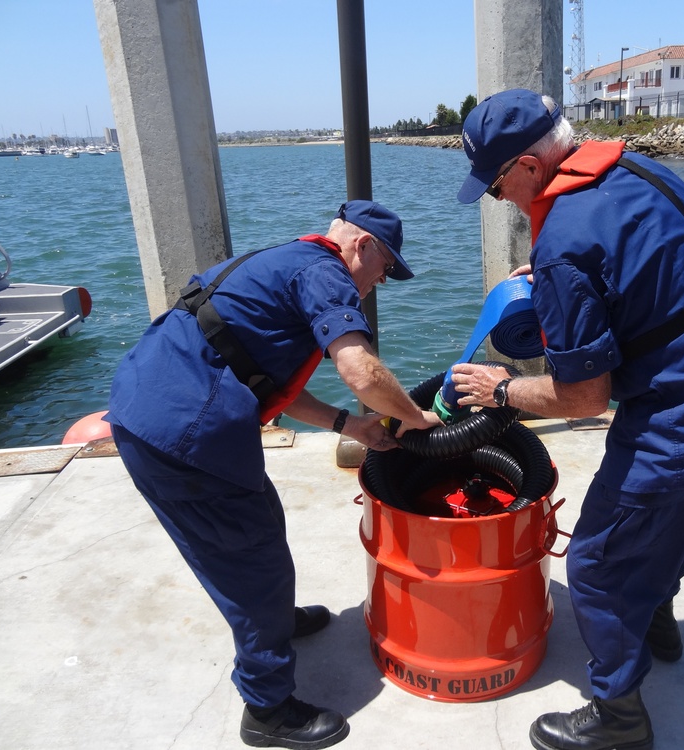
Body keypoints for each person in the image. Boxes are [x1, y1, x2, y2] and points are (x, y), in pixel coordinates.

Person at [450, 89, 684, 750]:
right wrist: (557, 275)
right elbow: (646, 263)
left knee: (600, 563)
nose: (501, 201)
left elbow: (584, 400)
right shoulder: (643, 169)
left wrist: (500, 390)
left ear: (527, 166)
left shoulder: (567, 244)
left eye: (495, 189)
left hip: (683, 412)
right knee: (680, 515)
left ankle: (618, 717)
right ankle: (656, 614)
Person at [105, 199, 442, 750]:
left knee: (261, 518)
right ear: (362, 246)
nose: (377, 284)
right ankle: (267, 710)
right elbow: (361, 369)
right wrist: (415, 417)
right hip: (183, 434)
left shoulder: (289, 261)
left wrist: (348, 425)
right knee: (253, 564)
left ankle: (275, 622)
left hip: (158, 403)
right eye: (383, 271)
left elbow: (263, 377)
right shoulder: (327, 274)